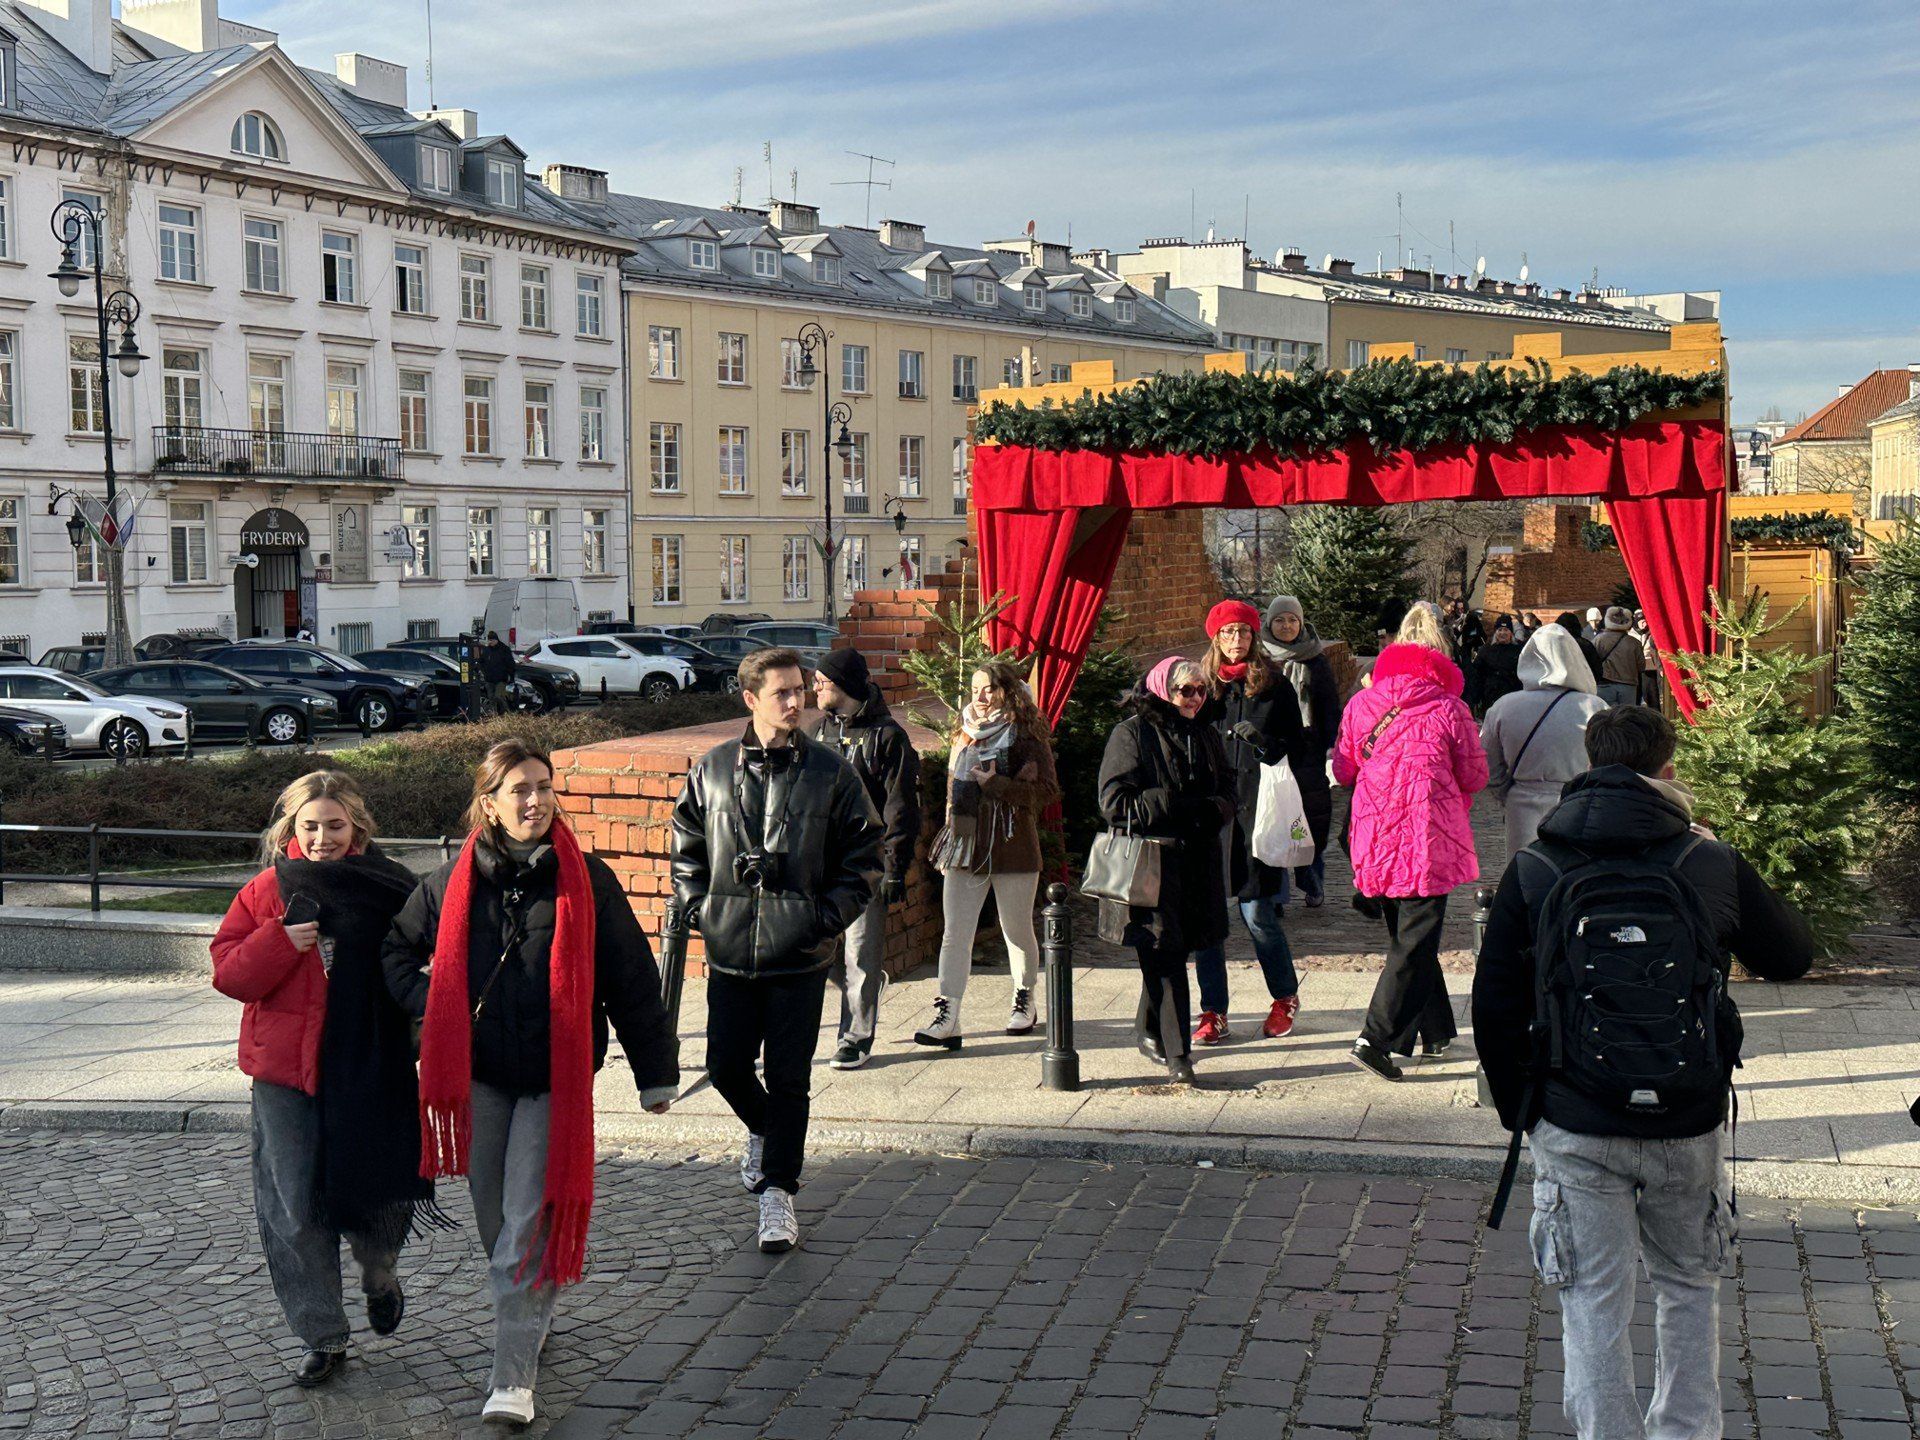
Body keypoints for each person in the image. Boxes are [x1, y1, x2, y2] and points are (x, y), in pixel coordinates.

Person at [1473, 706, 1814, 1440]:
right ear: (1667, 770)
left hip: (1574, 1114)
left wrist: (1523, 1111)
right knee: (1688, 1285)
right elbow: (1790, 956)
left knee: (1593, 1296)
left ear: (1586, 764)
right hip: (1686, 1115)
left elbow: (1493, 1002)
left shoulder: (1537, 864)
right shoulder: (1705, 859)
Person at [383, 740, 679, 1429]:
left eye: (543, 786)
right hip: (481, 1076)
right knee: (496, 1224)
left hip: (556, 1079)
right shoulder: (451, 882)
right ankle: (532, 1308)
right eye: (518, 789)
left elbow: (632, 980)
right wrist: (432, 1009)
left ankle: (513, 1378)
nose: (535, 800)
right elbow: (396, 951)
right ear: (488, 802)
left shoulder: (588, 880)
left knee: (524, 1224)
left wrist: (655, 1073)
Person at [212, 771, 430, 1388]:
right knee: (293, 1206)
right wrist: (279, 943)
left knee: (378, 1184)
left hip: (373, 1067)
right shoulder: (265, 891)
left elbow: (424, 954)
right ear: (291, 829)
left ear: (356, 826)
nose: (322, 838)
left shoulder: (393, 888)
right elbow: (230, 975)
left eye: (335, 825)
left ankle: (379, 1269)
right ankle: (323, 1336)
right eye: (310, 826)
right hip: (287, 1076)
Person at [670, 649, 882, 1254]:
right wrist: (702, 908)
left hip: (801, 954)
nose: (796, 703)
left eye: (799, 691)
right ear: (750, 699)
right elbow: (687, 848)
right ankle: (767, 1133)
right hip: (730, 949)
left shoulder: (831, 772)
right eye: (782, 693)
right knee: (727, 1068)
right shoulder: (711, 770)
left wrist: (824, 919)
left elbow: (866, 857)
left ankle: (778, 1194)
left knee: (790, 1079)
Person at [1334, 601, 1488, 1082]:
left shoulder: (1362, 704)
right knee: (1415, 942)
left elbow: (1343, 769)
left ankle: (1435, 1030)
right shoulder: (1450, 708)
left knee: (1409, 938)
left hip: (1376, 833)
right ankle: (1374, 1038)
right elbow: (1475, 773)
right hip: (1428, 835)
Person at [1097, 656, 1234, 1085]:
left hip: (1198, 861)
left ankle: (1147, 1028)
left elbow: (1228, 789)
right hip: (1153, 863)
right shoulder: (1132, 733)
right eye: (1184, 691)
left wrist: (1215, 810)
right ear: (1162, 690)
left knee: (1171, 952)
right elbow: (1113, 801)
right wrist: (1173, 803)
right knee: (1165, 954)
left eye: (1200, 690)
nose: (1194, 699)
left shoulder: (1207, 733)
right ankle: (1180, 1056)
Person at [914, 660, 1061, 1049]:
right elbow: (951, 792)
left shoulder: (1027, 734)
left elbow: (1046, 792)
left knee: (1015, 930)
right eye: (976, 689)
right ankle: (948, 1015)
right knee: (955, 934)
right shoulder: (962, 732)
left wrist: (996, 784)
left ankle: (1024, 997)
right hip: (965, 845)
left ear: (1008, 692)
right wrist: (950, 836)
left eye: (989, 689)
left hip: (1013, 845)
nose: (980, 697)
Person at [1191, 600, 1304, 1044]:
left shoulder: (1274, 685)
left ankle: (1284, 997)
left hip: (1259, 813)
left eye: (1243, 632)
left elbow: (1299, 746)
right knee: (1209, 919)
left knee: (1257, 914)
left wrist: (1264, 743)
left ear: (1255, 636)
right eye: (1227, 633)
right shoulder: (1200, 687)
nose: (1236, 640)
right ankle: (1213, 1010)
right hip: (1212, 819)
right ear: (1215, 638)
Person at [806, 646, 922, 1070]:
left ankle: (855, 1036)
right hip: (820, 863)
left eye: (820, 682)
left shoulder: (888, 737)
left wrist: (894, 867)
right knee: (821, 950)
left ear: (841, 685)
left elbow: (901, 808)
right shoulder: (819, 732)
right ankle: (868, 985)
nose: (814, 689)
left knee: (858, 951)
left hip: (864, 863)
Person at [1481, 624, 1608, 858]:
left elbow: (1489, 765)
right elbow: (1608, 763)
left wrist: (1507, 794)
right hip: (1579, 804)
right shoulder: (1595, 707)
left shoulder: (1504, 706)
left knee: (1525, 877)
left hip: (1522, 804)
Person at [1265, 594, 1342, 909]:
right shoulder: (1262, 659)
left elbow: (1329, 708)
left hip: (1307, 752)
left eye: (1292, 620)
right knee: (1274, 823)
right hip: (1272, 752)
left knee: (1310, 822)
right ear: (1270, 624)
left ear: (1301, 622)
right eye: (1280, 620)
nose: (1286, 626)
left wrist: (1325, 747)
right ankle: (1276, 894)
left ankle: (1312, 882)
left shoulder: (1315, 658)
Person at [1466, 615, 1524, 717]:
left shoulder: (1518, 650)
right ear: (1495, 632)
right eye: (1499, 629)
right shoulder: (1486, 650)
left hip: (1511, 696)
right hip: (1490, 697)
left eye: (1506, 630)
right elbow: (1476, 674)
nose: (1502, 633)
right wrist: (1474, 698)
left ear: (1511, 633)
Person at [1594, 605, 1646, 707]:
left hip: (1605, 684)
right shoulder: (1634, 643)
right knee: (1626, 718)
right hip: (1628, 686)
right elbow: (1641, 666)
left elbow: (1593, 662)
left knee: (1606, 717)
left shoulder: (1598, 640)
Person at [1554, 610, 1607, 690]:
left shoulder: (1553, 644)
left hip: (1559, 688)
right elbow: (1597, 670)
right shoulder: (1586, 644)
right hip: (1583, 687)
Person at [480, 631, 517, 716]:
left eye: (492, 640)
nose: (490, 642)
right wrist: (483, 672)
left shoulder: (504, 649)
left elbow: (510, 663)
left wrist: (511, 676)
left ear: (496, 640)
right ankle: (494, 714)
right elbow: (481, 662)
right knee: (491, 697)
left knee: (498, 696)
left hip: (501, 678)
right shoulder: (486, 650)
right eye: (489, 640)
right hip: (489, 678)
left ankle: (507, 712)